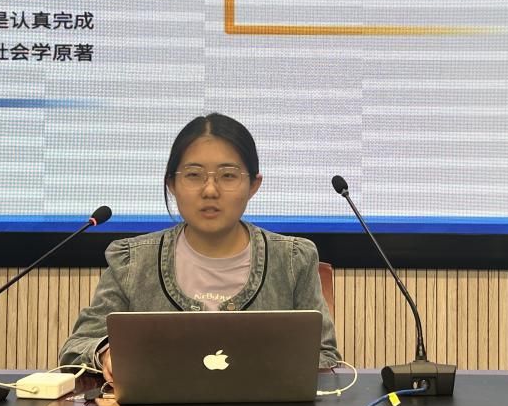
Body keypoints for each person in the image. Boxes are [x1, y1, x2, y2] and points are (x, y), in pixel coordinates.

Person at [60, 113, 340, 380]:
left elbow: (325, 357)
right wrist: (106, 354)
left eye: (228, 175)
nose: (210, 190)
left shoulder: (293, 260)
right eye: (194, 175)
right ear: (172, 184)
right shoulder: (132, 262)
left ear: (253, 185)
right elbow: (77, 347)